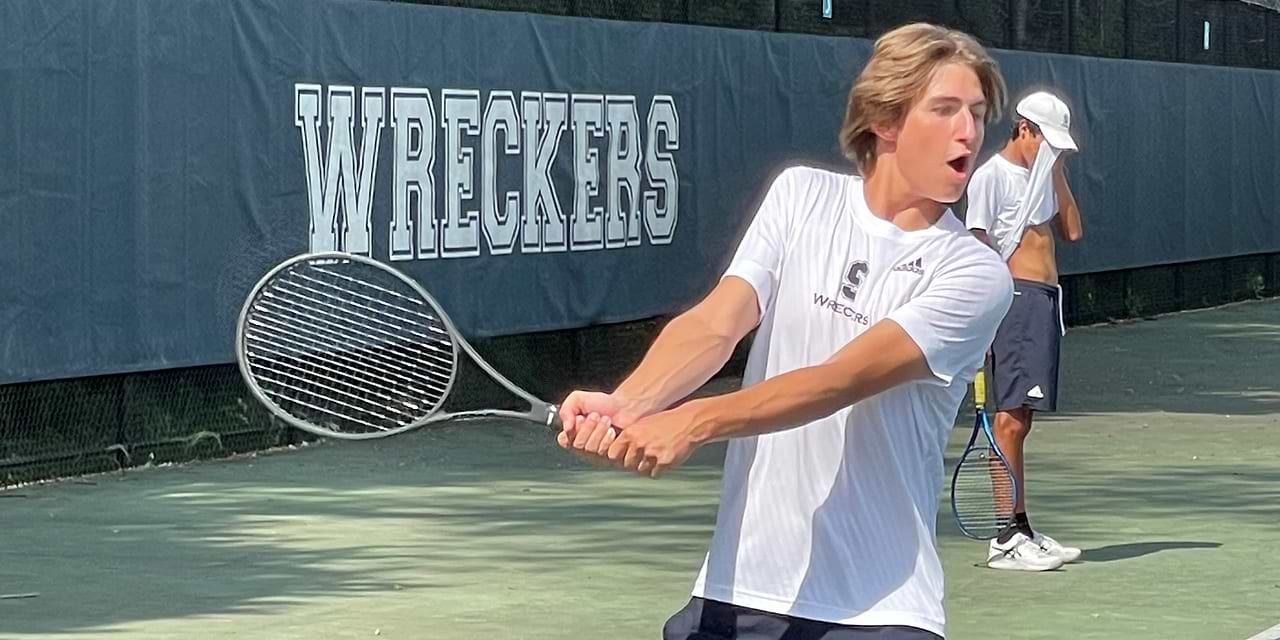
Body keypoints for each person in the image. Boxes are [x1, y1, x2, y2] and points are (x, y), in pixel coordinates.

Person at [555, 22, 1014, 640]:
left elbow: (837, 380)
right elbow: (720, 321)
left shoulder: (975, 273)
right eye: (945, 109)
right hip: (734, 595)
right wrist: (630, 401)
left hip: (877, 615)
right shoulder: (799, 196)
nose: (970, 131)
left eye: (978, 113)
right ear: (886, 121)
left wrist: (692, 421)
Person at [964, 90, 1085, 571]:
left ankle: (1022, 528)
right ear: (1023, 128)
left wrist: (1054, 168)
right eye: (1046, 141)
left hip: (1042, 303)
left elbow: (1072, 230)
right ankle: (1005, 537)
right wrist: (984, 320)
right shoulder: (990, 177)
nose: (1050, 149)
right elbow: (976, 248)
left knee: (1022, 419)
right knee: (1009, 421)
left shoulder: (1042, 175)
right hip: (1012, 303)